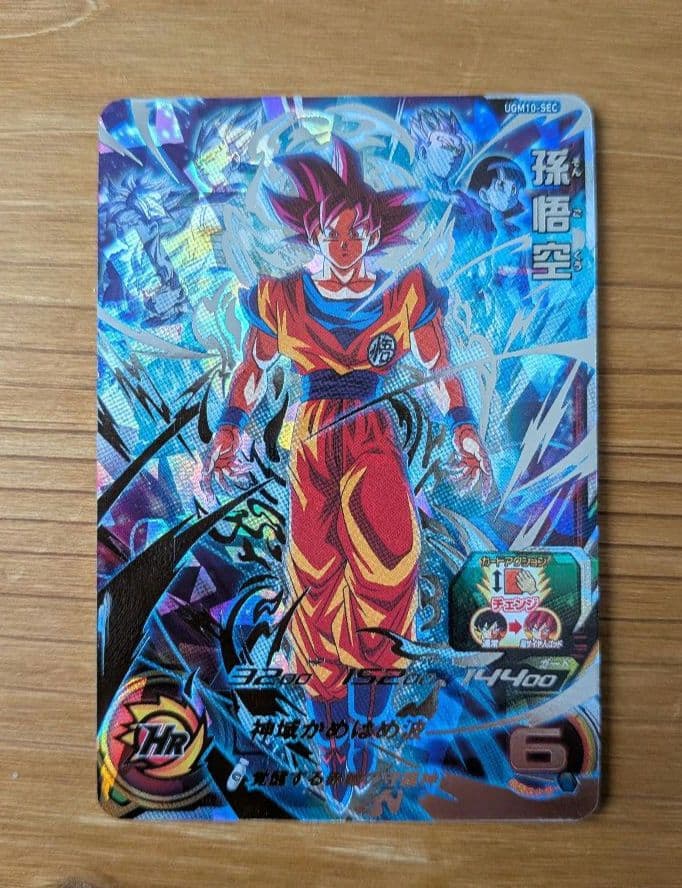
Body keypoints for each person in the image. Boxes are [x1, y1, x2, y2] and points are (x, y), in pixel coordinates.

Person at [204, 138, 492, 795]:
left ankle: (366, 730)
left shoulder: (404, 294)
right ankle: (332, 740)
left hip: (372, 438)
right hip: (312, 442)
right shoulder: (280, 296)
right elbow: (251, 369)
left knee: (389, 569)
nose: (343, 244)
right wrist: (228, 429)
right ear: (313, 233)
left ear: (372, 235)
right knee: (315, 581)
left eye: (355, 232)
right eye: (332, 232)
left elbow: (441, 368)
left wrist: (464, 430)